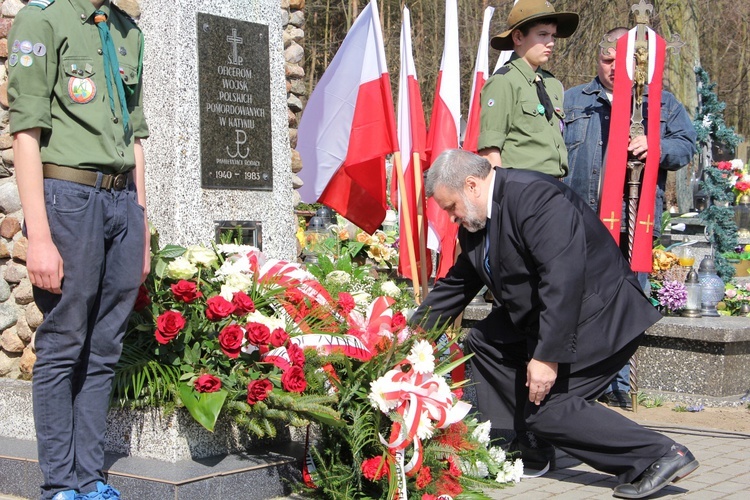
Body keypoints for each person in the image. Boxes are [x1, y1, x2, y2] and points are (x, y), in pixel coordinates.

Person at [413, 149, 699, 499]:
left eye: (450, 207)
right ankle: (527, 444)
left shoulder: (534, 197)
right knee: (484, 342)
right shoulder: (477, 222)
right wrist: (408, 339)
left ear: (471, 185)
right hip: (543, 319)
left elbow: (562, 280)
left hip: (598, 319)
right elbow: (457, 286)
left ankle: (659, 455)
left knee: (547, 411)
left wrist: (547, 357)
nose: (451, 217)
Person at [8, 1, 150, 499]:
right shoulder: (42, 19)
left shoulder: (125, 29)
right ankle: (59, 485)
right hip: (68, 198)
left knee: (105, 347)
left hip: (121, 201)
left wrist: (142, 219)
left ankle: (90, 479)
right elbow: (26, 133)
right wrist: (39, 237)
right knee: (64, 342)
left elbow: (134, 136)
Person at [563, 27, 697, 410]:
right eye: (606, 61)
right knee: (575, 300)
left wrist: (655, 146)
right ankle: (578, 379)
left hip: (632, 222)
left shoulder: (662, 104)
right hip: (580, 218)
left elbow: (686, 146)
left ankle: (618, 382)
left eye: (618, 64)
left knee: (628, 303)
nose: (611, 69)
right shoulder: (573, 101)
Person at [478, 0, 578, 177]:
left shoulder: (552, 84)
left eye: (552, 36)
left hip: (554, 185)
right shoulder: (503, 82)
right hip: (520, 188)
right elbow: (490, 152)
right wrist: (501, 196)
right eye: (542, 35)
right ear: (518, 37)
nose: (551, 42)